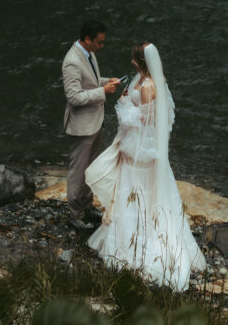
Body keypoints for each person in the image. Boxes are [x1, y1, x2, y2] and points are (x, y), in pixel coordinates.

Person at [85, 42, 206, 291]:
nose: (131, 62)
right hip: (132, 143)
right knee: (127, 187)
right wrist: (127, 99)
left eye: (134, 58)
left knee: (139, 189)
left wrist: (124, 105)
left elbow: (145, 119)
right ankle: (122, 235)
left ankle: (141, 244)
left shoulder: (150, 85)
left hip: (142, 148)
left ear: (141, 61)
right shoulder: (140, 78)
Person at [62, 18, 121, 230]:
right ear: (87, 39)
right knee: (78, 171)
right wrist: (102, 91)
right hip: (81, 126)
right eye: (99, 42)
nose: (102, 46)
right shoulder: (71, 61)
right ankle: (75, 214)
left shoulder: (89, 53)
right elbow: (74, 97)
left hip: (95, 123)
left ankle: (86, 207)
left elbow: (90, 82)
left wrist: (106, 81)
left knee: (90, 168)